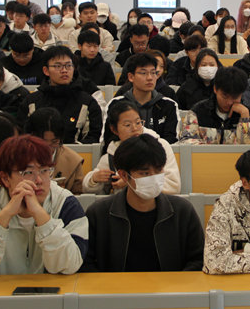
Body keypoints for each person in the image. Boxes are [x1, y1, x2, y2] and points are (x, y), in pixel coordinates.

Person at [0, 135, 88, 278]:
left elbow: (69, 265)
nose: (39, 180)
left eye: (45, 171)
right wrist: (3, 217)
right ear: (5, 178)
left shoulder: (65, 203)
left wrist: (41, 216)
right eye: (28, 172)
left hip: (50, 289)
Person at [81, 134, 201, 272]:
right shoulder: (99, 213)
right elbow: (85, 262)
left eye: (159, 170)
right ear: (124, 175)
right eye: (145, 174)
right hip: (115, 286)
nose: (154, 178)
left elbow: (198, 260)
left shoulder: (183, 211)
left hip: (170, 285)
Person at [83, 102, 181, 195]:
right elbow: (95, 192)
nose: (135, 128)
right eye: (127, 125)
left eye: (138, 123)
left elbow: (173, 186)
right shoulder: (112, 155)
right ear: (114, 129)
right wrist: (93, 180)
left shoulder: (160, 146)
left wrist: (131, 183)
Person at [18, 46, 103, 144]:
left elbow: (94, 138)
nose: (64, 70)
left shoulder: (87, 102)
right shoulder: (31, 101)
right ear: (46, 70)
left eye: (68, 65)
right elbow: (22, 136)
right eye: (57, 66)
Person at [105, 53, 180, 146]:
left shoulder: (169, 105)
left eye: (153, 73)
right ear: (131, 77)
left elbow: (171, 142)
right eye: (143, 73)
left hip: (159, 154)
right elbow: (109, 140)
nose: (150, 78)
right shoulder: (116, 104)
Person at [180, 66, 250, 144]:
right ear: (215, 89)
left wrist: (245, 119)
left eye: (235, 97)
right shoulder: (197, 112)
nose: (229, 102)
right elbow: (187, 142)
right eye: (224, 96)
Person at [24, 107, 84, 194]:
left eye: (54, 142)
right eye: (42, 141)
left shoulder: (73, 161)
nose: (47, 148)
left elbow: (78, 195)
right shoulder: (18, 156)